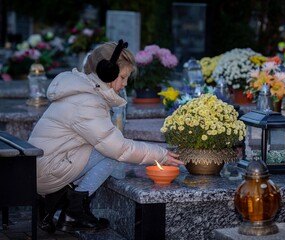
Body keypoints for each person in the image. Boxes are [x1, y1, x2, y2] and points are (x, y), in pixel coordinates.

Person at [28, 39, 183, 234]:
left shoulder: (83, 91)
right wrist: (161, 155)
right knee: (111, 154)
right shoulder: (87, 101)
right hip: (47, 172)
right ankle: (73, 213)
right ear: (107, 72)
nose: (125, 83)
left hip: (41, 167)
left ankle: (64, 206)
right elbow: (119, 148)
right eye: (123, 77)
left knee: (105, 147)